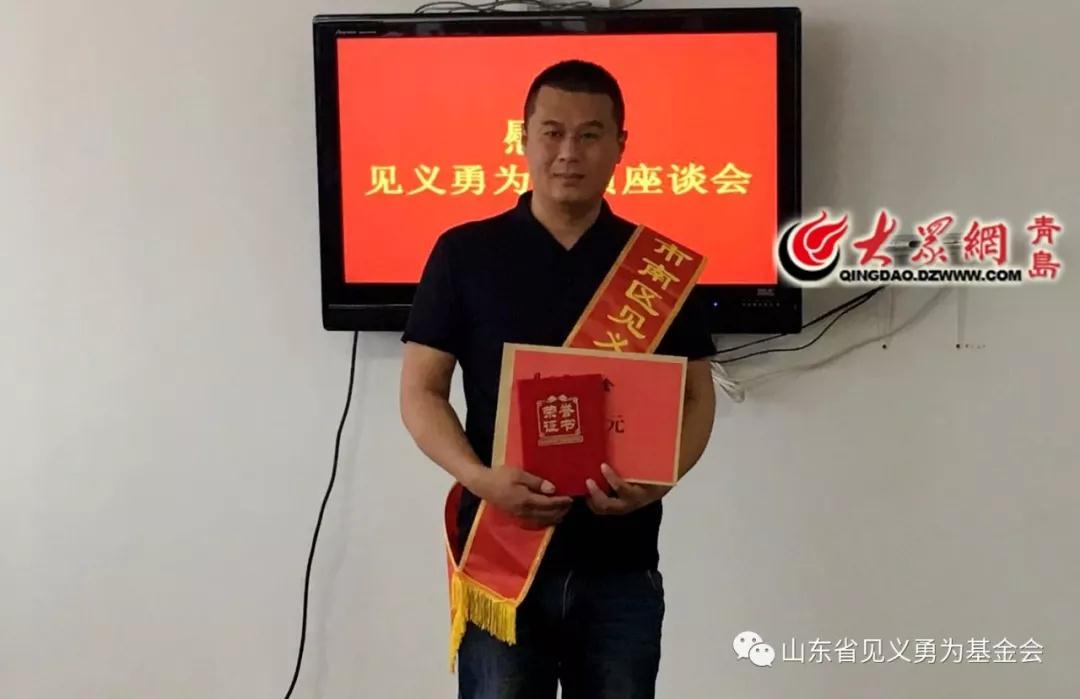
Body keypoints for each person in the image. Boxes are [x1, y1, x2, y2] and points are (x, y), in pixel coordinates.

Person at [399, 59, 717, 699]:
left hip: (621, 562)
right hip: (504, 558)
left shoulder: (653, 266)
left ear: (620, 146)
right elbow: (420, 392)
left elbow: (696, 397)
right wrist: (481, 479)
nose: (569, 152)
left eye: (590, 135)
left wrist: (659, 483)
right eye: (552, 132)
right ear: (523, 138)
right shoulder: (464, 253)